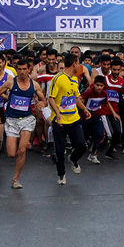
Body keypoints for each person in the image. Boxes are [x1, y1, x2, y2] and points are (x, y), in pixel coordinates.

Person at [0, 59, 46, 188]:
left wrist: (42, 103)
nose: (22, 72)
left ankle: (16, 179)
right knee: (11, 154)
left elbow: (44, 100)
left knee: (22, 150)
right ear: (17, 70)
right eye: (19, 69)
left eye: (24, 69)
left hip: (27, 119)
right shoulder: (11, 82)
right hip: (11, 120)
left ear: (29, 69)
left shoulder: (34, 85)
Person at [48, 53, 91, 185]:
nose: (80, 66)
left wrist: (84, 109)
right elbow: (51, 98)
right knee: (60, 151)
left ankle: (73, 159)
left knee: (82, 145)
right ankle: (61, 175)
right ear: (74, 64)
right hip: (59, 121)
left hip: (74, 119)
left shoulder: (74, 80)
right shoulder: (58, 79)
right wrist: (58, 114)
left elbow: (76, 98)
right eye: (79, 63)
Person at [99, 58, 124, 160]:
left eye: (118, 70)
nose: (116, 72)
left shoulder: (122, 82)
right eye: (114, 70)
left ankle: (109, 151)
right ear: (110, 69)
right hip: (104, 110)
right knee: (110, 134)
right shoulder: (105, 80)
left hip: (115, 111)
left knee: (119, 133)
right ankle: (97, 148)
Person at [81, 75, 117, 163]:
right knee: (84, 137)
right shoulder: (88, 93)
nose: (99, 87)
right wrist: (83, 110)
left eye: (101, 85)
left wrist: (114, 113)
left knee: (101, 134)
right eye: (97, 85)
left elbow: (107, 103)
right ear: (94, 85)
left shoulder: (104, 93)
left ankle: (93, 155)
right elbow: (80, 100)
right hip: (86, 118)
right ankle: (76, 154)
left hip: (97, 116)